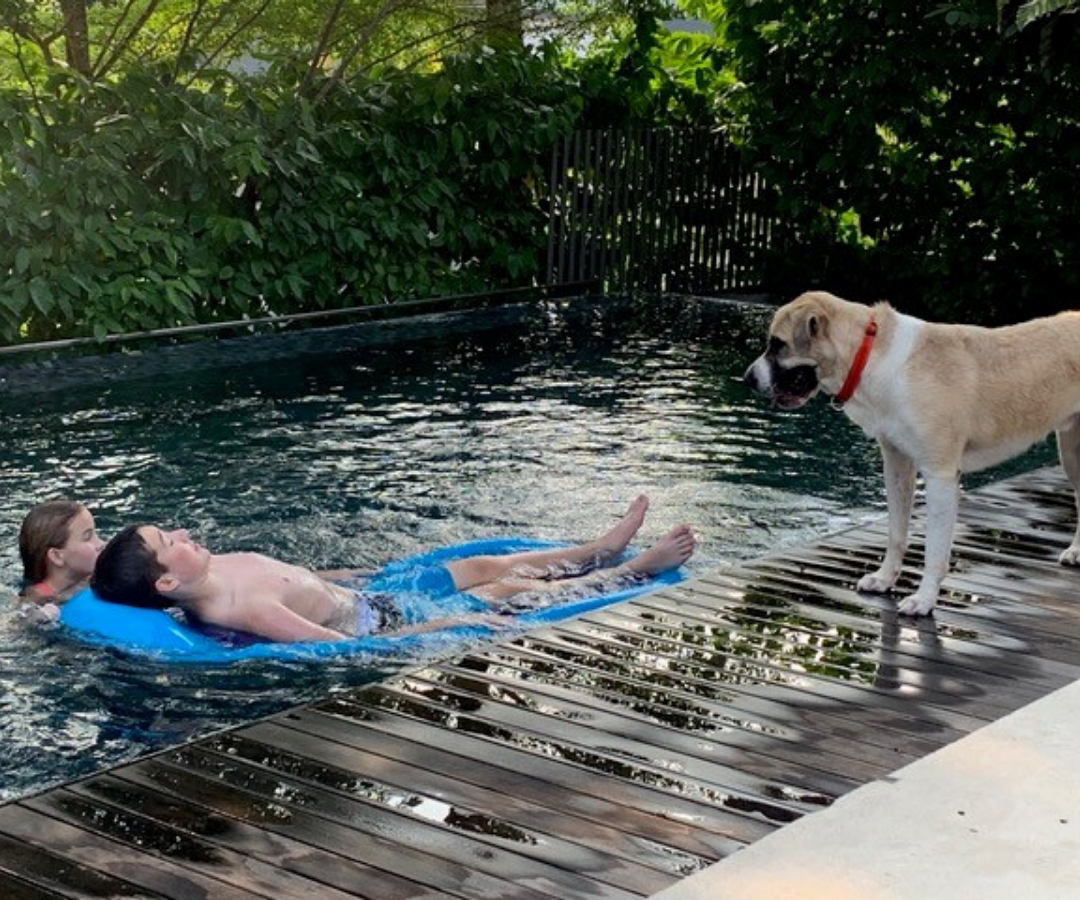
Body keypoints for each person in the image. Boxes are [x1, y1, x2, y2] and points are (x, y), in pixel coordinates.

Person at [91, 495, 696, 643]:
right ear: (168, 582)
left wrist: (352, 574)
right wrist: (435, 631)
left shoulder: (220, 567)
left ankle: (597, 547)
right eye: (169, 539)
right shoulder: (239, 609)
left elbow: (297, 574)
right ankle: (638, 567)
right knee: (507, 589)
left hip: (372, 590)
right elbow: (334, 647)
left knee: (484, 562)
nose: (184, 532)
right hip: (384, 620)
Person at [18, 499, 106, 619]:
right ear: (57, 556)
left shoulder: (94, 578)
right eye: (87, 537)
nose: (101, 543)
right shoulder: (37, 600)